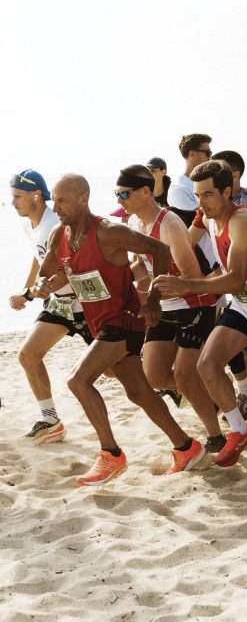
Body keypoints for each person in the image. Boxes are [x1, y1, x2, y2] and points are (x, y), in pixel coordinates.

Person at [34, 174, 204, 485]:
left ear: (83, 198)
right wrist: (41, 286)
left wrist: (153, 295)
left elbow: (160, 250)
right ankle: (186, 447)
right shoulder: (60, 235)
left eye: (61, 200)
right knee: (139, 392)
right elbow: (50, 273)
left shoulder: (109, 231)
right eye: (53, 200)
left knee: (78, 381)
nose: (54, 207)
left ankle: (110, 455)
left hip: (124, 319)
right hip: (101, 323)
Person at [154, 160, 247, 468]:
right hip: (243, 306)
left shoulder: (242, 220)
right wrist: (149, 259)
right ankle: (240, 430)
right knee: (207, 365)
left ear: (227, 192)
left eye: (208, 195)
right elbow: (181, 245)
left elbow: (236, 279)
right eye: (198, 195)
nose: (201, 202)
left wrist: (185, 284)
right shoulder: (206, 214)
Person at [121, 164, 225, 454]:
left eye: (125, 194)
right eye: (117, 194)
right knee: (153, 375)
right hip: (165, 303)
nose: (120, 200)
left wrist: (157, 290)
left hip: (195, 300)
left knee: (183, 376)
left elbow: (192, 276)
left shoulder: (169, 224)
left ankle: (216, 434)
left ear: (145, 192)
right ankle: (210, 393)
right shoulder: (133, 225)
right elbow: (143, 270)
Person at [10, 169, 88, 444]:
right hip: (60, 305)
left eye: (17, 196)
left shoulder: (56, 224)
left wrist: (31, 295)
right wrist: (26, 289)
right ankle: (50, 420)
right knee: (28, 355)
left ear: (36, 196)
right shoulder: (30, 225)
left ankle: (177, 386)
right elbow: (38, 258)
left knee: (120, 373)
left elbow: (68, 269)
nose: (12, 202)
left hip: (86, 305)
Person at [167, 133, 213, 226]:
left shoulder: (209, 182)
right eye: (207, 153)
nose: (210, 158)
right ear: (192, 154)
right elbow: (204, 219)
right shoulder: (178, 189)